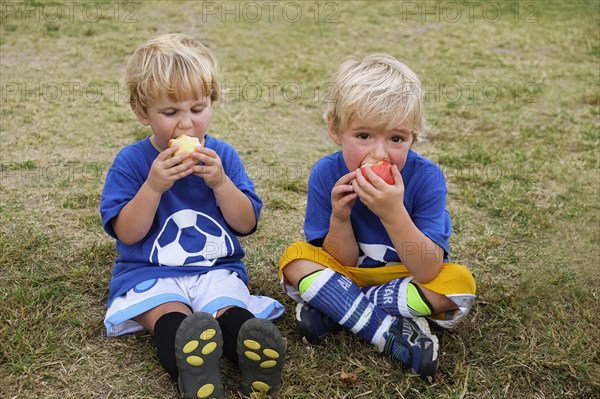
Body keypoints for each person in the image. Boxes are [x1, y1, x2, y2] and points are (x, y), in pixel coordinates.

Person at [100, 33, 286, 399]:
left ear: (212, 103)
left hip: (215, 270)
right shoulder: (131, 162)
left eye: (197, 109)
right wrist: (153, 187)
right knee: (170, 317)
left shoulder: (223, 157)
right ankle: (193, 372)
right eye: (170, 113)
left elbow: (246, 224)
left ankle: (254, 355)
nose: (186, 124)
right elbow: (128, 233)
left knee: (227, 310)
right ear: (142, 113)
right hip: (151, 272)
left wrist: (221, 183)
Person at [278, 54, 477, 380]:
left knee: (458, 285)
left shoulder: (427, 178)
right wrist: (340, 219)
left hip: (407, 278)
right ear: (335, 129)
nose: (380, 153)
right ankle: (388, 332)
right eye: (364, 136)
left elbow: (427, 269)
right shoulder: (327, 174)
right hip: (348, 274)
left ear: (413, 136)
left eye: (396, 139)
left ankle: (335, 307)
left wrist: (393, 212)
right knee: (295, 260)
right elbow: (339, 261)